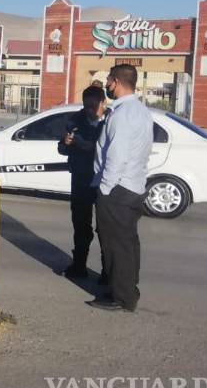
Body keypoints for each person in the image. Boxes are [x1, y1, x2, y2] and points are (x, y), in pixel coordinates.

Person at [88, 64, 152, 312]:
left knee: (117, 246)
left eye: (108, 81)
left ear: (116, 82)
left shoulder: (123, 114)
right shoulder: (140, 110)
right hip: (132, 186)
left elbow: (116, 156)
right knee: (127, 244)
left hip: (117, 189)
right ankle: (127, 289)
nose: (106, 85)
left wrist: (104, 189)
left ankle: (122, 297)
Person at [57, 85, 106, 280]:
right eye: (86, 106)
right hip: (81, 178)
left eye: (93, 106)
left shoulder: (111, 121)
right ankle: (79, 265)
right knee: (80, 225)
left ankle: (108, 272)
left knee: (104, 229)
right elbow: (62, 148)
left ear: (103, 103)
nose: (90, 110)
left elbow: (98, 149)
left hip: (104, 180)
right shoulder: (75, 120)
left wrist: (78, 142)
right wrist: (66, 143)